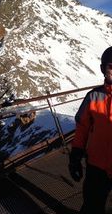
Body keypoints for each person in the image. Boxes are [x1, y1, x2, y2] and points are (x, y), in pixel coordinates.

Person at [70, 46, 112, 213]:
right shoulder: (93, 97)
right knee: (92, 207)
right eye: (111, 66)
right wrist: (75, 156)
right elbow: (82, 129)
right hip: (96, 166)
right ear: (103, 69)